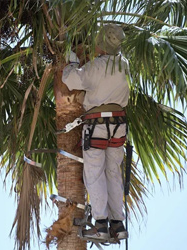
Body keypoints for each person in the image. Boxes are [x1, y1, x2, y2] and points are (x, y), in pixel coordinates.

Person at [62, 24, 129, 242]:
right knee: (113, 173)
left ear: (100, 45)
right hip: (118, 126)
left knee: (94, 173)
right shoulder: (123, 63)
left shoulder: (97, 66)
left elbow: (71, 80)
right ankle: (118, 225)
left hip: (97, 127)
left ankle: (100, 225)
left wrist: (72, 63)